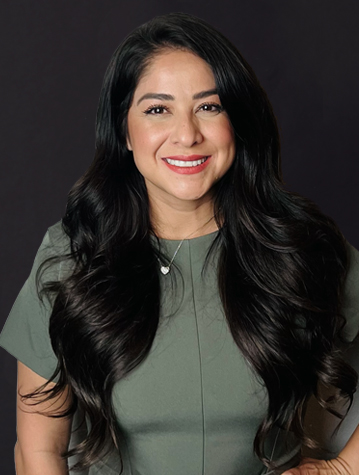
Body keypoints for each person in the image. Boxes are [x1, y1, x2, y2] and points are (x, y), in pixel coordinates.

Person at [0, 11, 359, 475]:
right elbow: (37, 452)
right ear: (124, 131)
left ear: (239, 122)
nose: (187, 135)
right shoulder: (73, 256)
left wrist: (343, 469)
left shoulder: (299, 247)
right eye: (157, 109)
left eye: (209, 107)